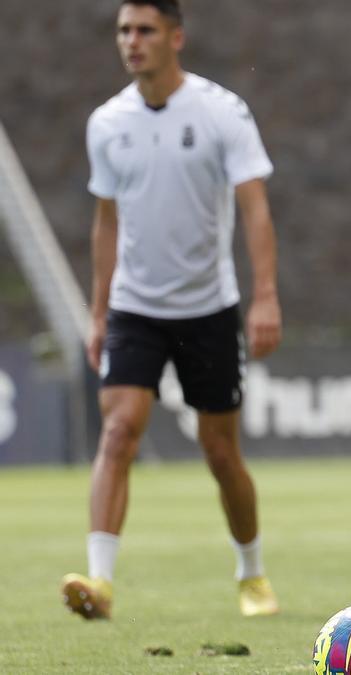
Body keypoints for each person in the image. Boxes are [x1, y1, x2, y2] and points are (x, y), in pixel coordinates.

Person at [60, 0, 282, 620]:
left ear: (175, 37)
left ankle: (252, 572)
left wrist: (264, 296)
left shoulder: (221, 111)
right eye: (124, 30)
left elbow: (255, 208)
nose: (131, 41)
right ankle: (99, 583)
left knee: (219, 449)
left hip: (209, 309)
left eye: (145, 30)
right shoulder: (106, 122)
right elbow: (105, 221)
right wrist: (99, 313)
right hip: (134, 308)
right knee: (119, 428)